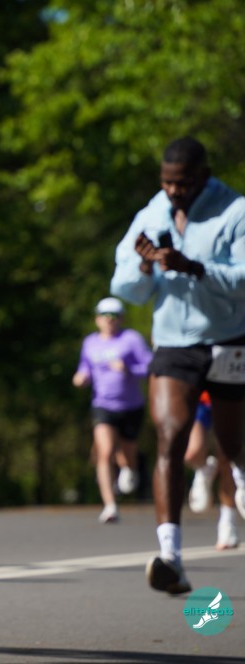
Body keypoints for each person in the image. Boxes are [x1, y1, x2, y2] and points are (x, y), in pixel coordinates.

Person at [110, 136, 245, 596]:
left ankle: (238, 483)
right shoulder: (151, 214)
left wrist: (195, 267)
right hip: (173, 341)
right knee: (169, 436)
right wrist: (145, 268)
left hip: (228, 338)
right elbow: (125, 287)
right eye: (166, 182)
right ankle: (170, 557)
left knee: (233, 443)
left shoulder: (235, 211)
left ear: (204, 175)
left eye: (182, 183)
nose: (173, 192)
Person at [71, 297, 152, 524]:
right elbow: (85, 366)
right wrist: (82, 376)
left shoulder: (131, 339)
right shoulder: (90, 343)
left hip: (131, 406)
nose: (109, 320)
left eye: (114, 316)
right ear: (97, 319)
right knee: (104, 452)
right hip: (102, 405)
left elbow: (150, 366)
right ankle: (110, 505)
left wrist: (129, 369)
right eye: (105, 315)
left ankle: (130, 468)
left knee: (128, 450)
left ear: (121, 318)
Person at [184, 391, 240, 550]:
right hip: (201, 399)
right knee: (192, 452)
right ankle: (204, 469)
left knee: (226, 458)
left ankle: (228, 524)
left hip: (228, 395)